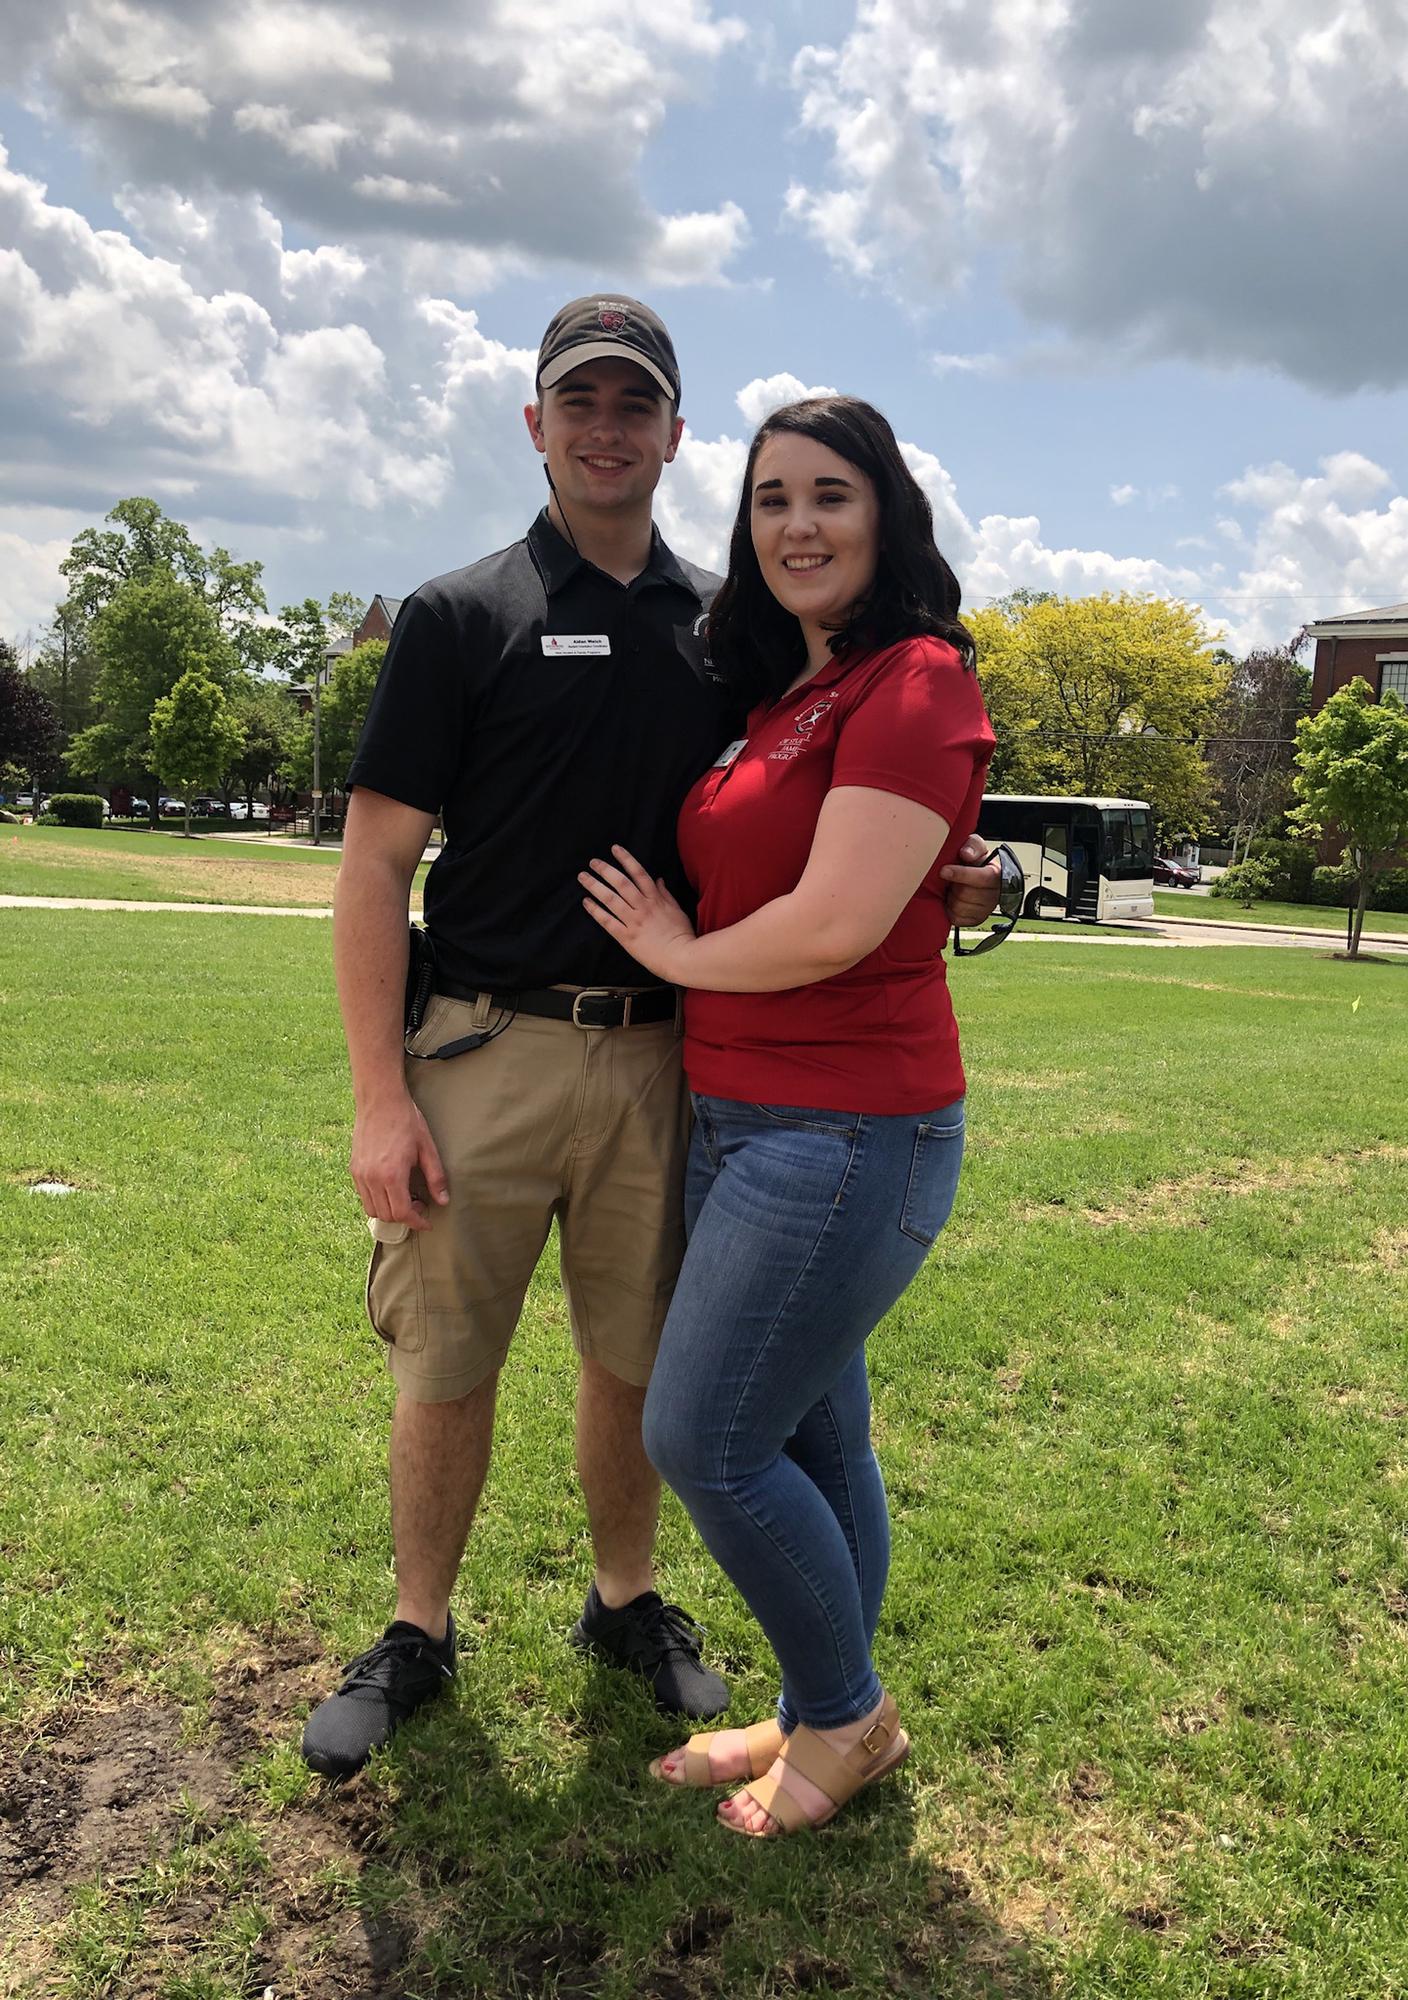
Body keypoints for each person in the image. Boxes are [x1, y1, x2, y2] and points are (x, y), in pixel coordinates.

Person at [300, 298, 1004, 1779]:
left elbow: (836, 789)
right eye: (582, 402)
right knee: (448, 1361)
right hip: (483, 1051)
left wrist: (972, 862)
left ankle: (626, 1603)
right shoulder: (456, 614)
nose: (608, 427)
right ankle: (419, 1628)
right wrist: (380, 1097)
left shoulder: (726, 636)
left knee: (638, 1365)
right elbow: (373, 869)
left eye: (638, 404)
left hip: (675, 1062)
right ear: (537, 424)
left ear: (675, 434)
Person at [577, 394, 994, 1836]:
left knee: (708, 1437)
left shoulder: (916, 679)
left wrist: (678, 957)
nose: (799, 525)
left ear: (885, 513)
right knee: (817, 1443)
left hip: (844, 1131)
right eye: (770, 501)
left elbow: (832, 921)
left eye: (830, 495)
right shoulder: (786, 695)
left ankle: (846, 1720)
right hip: (746, 1119)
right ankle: (828, 1704)